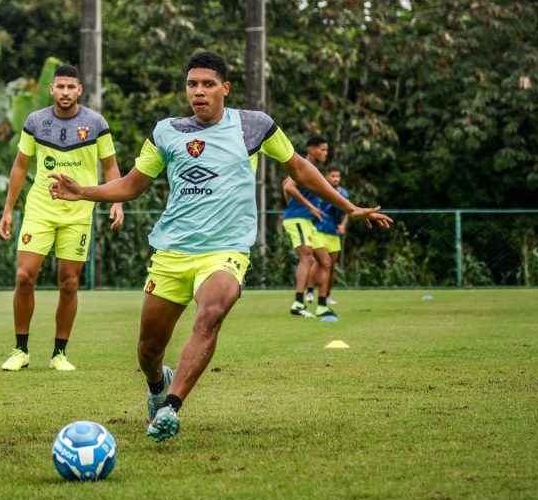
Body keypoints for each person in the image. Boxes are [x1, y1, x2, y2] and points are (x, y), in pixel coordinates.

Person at [48, 51, 392, 443]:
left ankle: (170, 407)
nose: (199, 91)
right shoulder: (166, 132)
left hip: (226, 250)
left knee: (210, 314)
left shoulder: (254, 127)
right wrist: (85, 192)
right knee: (147, 350)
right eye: (192, 84)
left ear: (225, 89)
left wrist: (348, 206)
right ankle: (158, 383)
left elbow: (298, 167)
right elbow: (131, 184)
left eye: (208, 84)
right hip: (172, 251)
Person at [0, 64, 124, 372]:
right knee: (24, 276)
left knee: (69, 283)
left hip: (79, 212)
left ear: (79, 90)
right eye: (60, 87)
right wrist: (8, 210)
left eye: (71, 87)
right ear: (51, 90)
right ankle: (20, 350)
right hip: (40, 209)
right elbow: (20, 166)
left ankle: (59, 354)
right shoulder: (35, 121)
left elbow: (110, 166)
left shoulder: (96, 123)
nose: (65, 92)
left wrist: (117, 202)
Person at [281, 136, 335, 318]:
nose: (325, 153)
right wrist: (309, 207)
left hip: (308, 222)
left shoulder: (310, 167)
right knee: (307, 257)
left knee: (325, 261)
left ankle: (321, 306)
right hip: (297, 219)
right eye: (322, 149)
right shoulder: (302, 164)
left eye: (326, 150)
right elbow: (288, 186)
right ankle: (298, 303)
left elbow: (285, 185)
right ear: (312, 150)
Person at [314, 166, 349, 304]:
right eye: (333, 176)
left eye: (338, 176)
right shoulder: (319, 190)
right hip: (318, 231)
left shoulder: (343, 193)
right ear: (326, 176)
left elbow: (348, 210)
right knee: (319, 263)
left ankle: (327, 295)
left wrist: (343, 225)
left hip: (333, 233)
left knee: (331, 266)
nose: (336, 179)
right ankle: (311, 292)